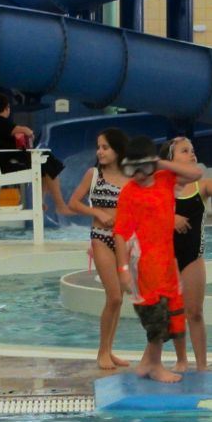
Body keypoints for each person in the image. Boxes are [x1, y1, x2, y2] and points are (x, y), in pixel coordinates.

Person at [113, 136, 206, 383]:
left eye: (143, 167)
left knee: (172, 315)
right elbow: (120, 233)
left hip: (167, 262)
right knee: (157, 319)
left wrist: (162, 164)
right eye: (131, 169)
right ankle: (154, 366)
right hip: (143, 265)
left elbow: (196, 173)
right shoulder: (129, 193)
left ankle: (147, 364)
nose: (138, 174)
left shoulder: (166, 180)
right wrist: (122, 269)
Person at [159, 137, 212, 372]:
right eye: (185, 151)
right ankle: (181, 359)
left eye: (193, 150)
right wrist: (169, 218)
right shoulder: (161, 186)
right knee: (175, 311)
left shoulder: (202, 185)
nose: (192, 154)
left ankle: (202, 364)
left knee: (195, 312)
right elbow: (145, 214)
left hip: (193, 256)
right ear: (171, 160)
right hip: (167, 256)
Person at [68, 128, 130, 370]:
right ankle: (102, 351)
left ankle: (110, 349)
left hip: (123, 240)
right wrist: (97, 212)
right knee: (113, 295)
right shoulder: (93, 174)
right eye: (99, 147)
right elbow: (73, 203)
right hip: (101, 237)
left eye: (105, 147)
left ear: (118, 150)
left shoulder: (131, 177)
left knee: (119, 299)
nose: (100, 152)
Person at [0, 92, 73, 215]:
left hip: (7, 161)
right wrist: (29, 132)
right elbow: (25, 130)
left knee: (47, 164)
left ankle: (43, 202)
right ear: (7, 108)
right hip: (10, 163)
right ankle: (60, 205)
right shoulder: (1, 122)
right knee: (49, 162)